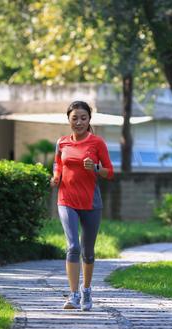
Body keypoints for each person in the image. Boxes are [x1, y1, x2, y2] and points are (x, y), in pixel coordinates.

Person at [50, 101, 114, 311]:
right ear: (68, 119)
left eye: (83, 118)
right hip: (66, 200)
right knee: (73, 247)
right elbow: (58, 163)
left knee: (88, 252)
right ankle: (73, 294)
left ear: (89, 120)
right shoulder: (62, 142)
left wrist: (95, 168)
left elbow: (110, 172)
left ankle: (86, 291)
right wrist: (56, 177)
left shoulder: (97, 143)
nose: (78, 122)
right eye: (74, 118)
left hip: (91, 203)